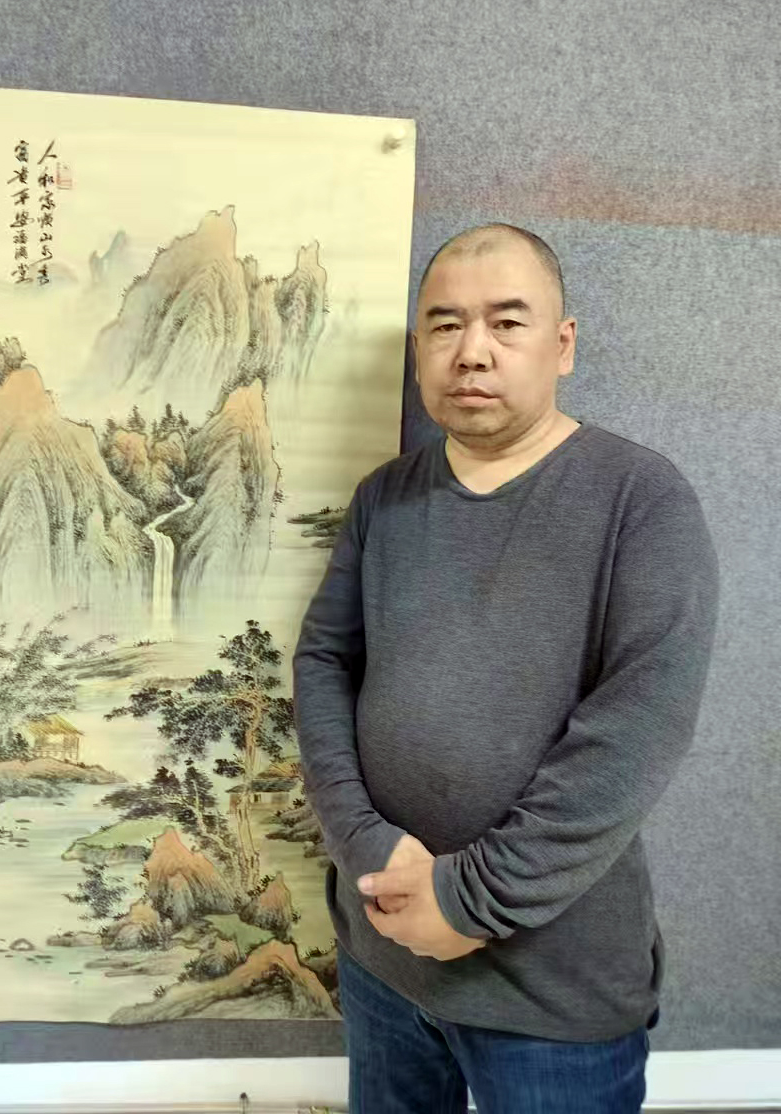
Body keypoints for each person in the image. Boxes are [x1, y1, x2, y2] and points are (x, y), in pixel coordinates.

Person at [292, 223, 720, 1114]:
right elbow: (325, 662)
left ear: (563, 345)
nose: (472, 351)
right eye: (445, 325)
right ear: (420, 349)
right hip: (382, 956)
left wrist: (468, 899)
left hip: (549, 989)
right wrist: (366, 847)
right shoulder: (385, 498)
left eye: (507, 323)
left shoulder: (640, 500)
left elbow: (638, 729)